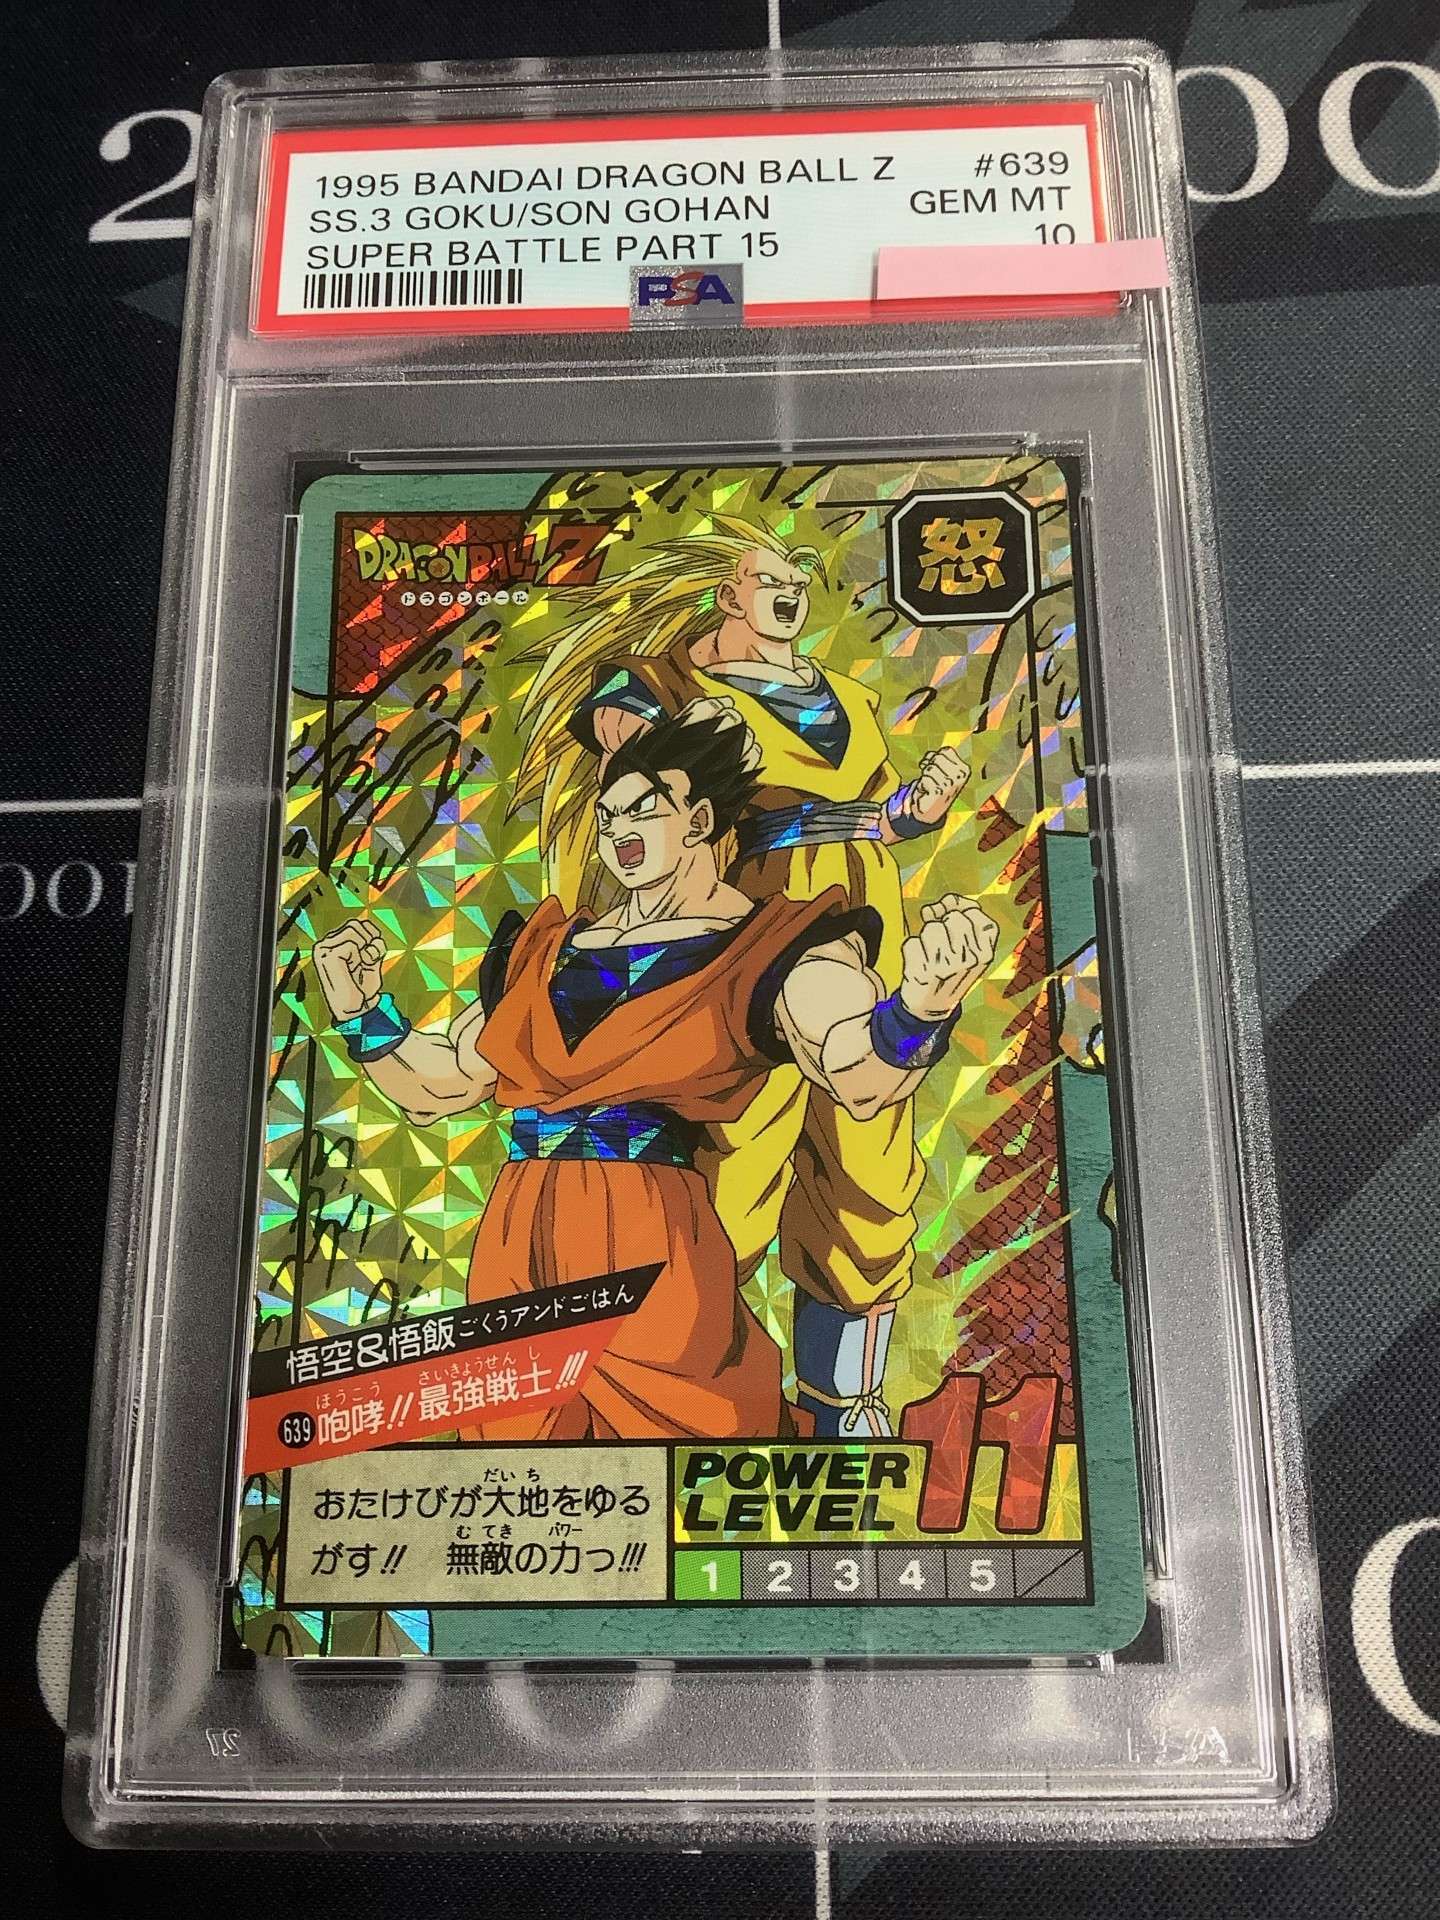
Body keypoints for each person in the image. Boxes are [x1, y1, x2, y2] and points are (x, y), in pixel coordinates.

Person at [312, 703, 998, 1443]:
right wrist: (362, 1012)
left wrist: (920, 1009)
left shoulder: (772, 942)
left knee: (686, 1443)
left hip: (649, 1239)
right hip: (517, 1234)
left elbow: (856, 1074)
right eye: (608, 817)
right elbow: (443, 1082)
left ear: (700, 819)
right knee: (512, 1455)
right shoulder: (547, 946)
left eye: (643, 810)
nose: (619, 832)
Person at [510, 515, 972, 1433]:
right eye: (772, 580)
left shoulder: (845, 698)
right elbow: (626, 763)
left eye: (799, 580)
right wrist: (665, 741)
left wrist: (914, 811)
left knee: (867, 1171)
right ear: (729, 595)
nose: (792, 592)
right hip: (732, 945)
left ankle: (844, 1404)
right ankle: (682, 1393)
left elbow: (877, 821)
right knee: (726, 1171)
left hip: (856, 936)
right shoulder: (661, 682)